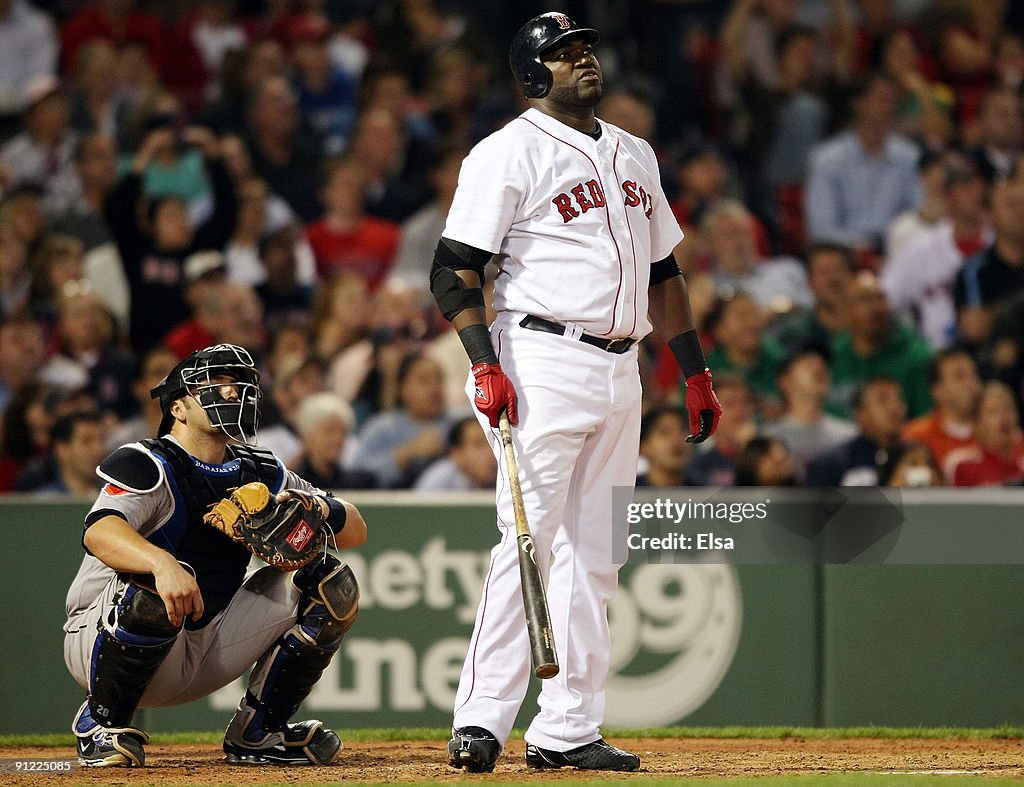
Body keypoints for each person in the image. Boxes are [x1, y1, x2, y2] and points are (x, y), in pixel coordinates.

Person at [429, 13, 721, 773]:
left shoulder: (635, 152)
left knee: (598, 554)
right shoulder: (506, 152)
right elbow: (454, 268)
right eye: (562, 54)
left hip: (622, 366)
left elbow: (665, 274)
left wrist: (693, 370)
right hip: (539, 356)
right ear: (532, 74)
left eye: (584, 48)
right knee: (526, 542)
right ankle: (482, 721)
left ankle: (567, 728)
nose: (582, 59)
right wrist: (483, 360)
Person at [63, 343, 367, 767]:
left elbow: (355, 529)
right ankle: (101, 722)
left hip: (205, 645)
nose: (232, 392)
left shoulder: (261, 470)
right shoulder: (147, 460)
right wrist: (161, 563)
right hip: (99, 640)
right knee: (156, 582)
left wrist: (317, 507)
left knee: (332, 584)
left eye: (237, 383)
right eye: (214, 383)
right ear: (179, 408)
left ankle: (259, 733)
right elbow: (99, 531)